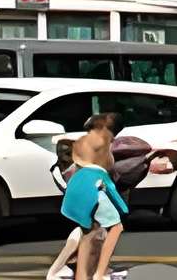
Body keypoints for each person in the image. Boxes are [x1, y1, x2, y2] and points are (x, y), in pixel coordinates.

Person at [54, 114, 128, 280]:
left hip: (76, 186)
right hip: (94, 186)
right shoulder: (102, 140)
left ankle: (80, 275)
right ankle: (99, 274)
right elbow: (109, 165)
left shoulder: (79, 142)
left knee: (89, 232)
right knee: (116, 227)